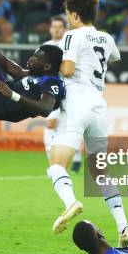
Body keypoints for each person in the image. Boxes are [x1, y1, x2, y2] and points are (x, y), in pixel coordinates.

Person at [47, 0, 128, 247]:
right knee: (100, 172)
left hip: (76, 106)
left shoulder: (72, 37)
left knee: (56, 165)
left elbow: (69, 69)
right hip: (99, 108)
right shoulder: (106, 39)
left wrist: (52, 64)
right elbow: (115, 57)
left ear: (73, 15)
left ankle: (71, 202)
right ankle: (123, 226)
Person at [43, 16, 81, 172]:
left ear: (65, 28)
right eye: (54, 26)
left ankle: (76, 158)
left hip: (70, 92)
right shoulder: (45, 46)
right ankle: (53, 164)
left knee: (72, 126)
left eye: (60, 26)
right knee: (51, 124)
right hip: (52, 91)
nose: (57, 29)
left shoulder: (69, 44)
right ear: (50, 28)